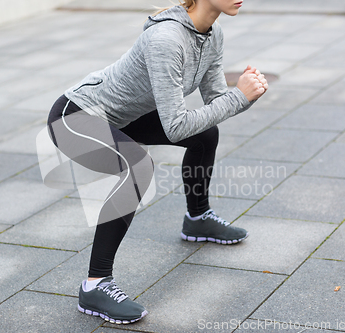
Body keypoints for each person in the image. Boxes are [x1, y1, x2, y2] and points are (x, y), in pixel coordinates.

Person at [46, 0, 268, 325]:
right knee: (136, 169)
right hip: (76, 116)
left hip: (122, 117)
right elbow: (175, 125)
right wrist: (239, 97)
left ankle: (198, 218)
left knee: (205, 135)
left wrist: (244, 95)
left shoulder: (212, 33)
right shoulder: (166, 38)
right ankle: (95, 285)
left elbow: (217, 100)